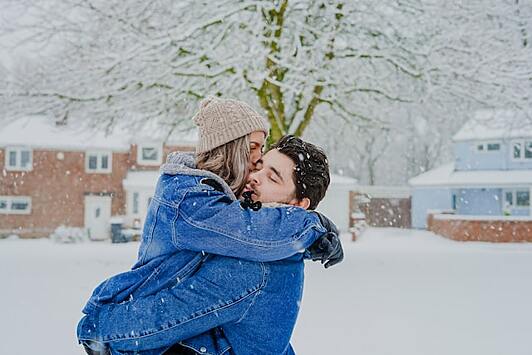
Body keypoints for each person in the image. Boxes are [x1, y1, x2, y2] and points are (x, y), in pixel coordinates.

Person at [77, 98, 342, 354]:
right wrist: (314, 227)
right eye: (257, 160)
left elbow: (171, 314)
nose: (254, 175)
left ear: (298, 205)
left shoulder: (255, 264)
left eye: (271, 177)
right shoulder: (204, 206)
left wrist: (100, 328)